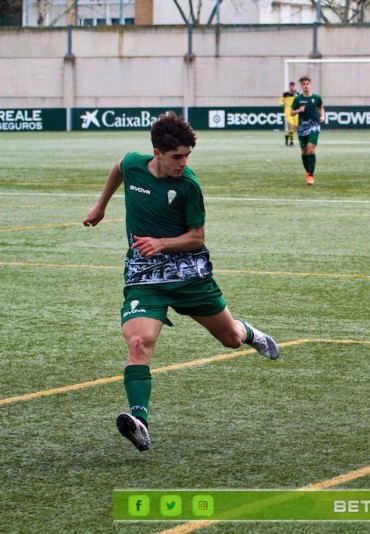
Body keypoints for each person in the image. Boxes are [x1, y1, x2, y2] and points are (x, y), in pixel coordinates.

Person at [82, 111, 280, 452]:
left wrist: (161, 243)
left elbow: (197, 238)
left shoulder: (188, 185)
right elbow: (118, 167)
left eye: (188, 155)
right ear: (156, 153)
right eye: (177, 156)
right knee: (139, 343)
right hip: (144, 276)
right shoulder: (134, 164)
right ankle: (140, 421)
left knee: (230, 338)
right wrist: (101, 206)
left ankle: (251, 333)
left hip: (189, 274)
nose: (184, 163)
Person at [290, 75, 325, 186]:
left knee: (310, 149)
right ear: (301, 86)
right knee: (304, 151)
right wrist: (299, 110)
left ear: (310, 85)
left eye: (307, 84)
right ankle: (307, 172)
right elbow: (291, 112)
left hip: (314, 125)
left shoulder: (316, 97)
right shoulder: (298, 99)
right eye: (303, 84)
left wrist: (322, 116)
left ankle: (311, 175)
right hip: (302, 127)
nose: (305, 86)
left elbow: (321, 107)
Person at [279, 81, 299, 147]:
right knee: (292, 126)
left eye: (293, 85)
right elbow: (280, 102)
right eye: (291, 85)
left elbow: (300, 101)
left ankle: (288, 136)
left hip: (295, 113)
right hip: (288, 113)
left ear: (294, 86)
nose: (292, 87)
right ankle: (291, 142)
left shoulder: (297, 94)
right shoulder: (285, 94)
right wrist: (283, 103)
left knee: (295, 129)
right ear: (289, 86)